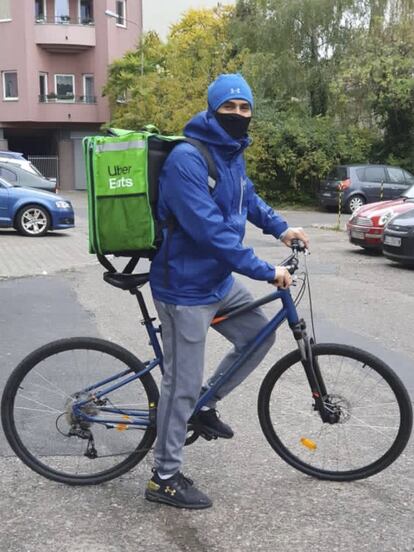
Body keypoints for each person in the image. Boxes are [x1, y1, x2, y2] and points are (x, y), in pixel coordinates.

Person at [146, 73, 309, 509]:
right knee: (181, 382)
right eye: (229, 107)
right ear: (212, 108)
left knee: (258, 332)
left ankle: (204, 403)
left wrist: (281, 229)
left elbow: (248, 200)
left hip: (216, 282)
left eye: (244, 108)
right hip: (184, 287)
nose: (237, 114)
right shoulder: (188, 159)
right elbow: (209, 231)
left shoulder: (231, 153)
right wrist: (263, 269)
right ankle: (163, 476)